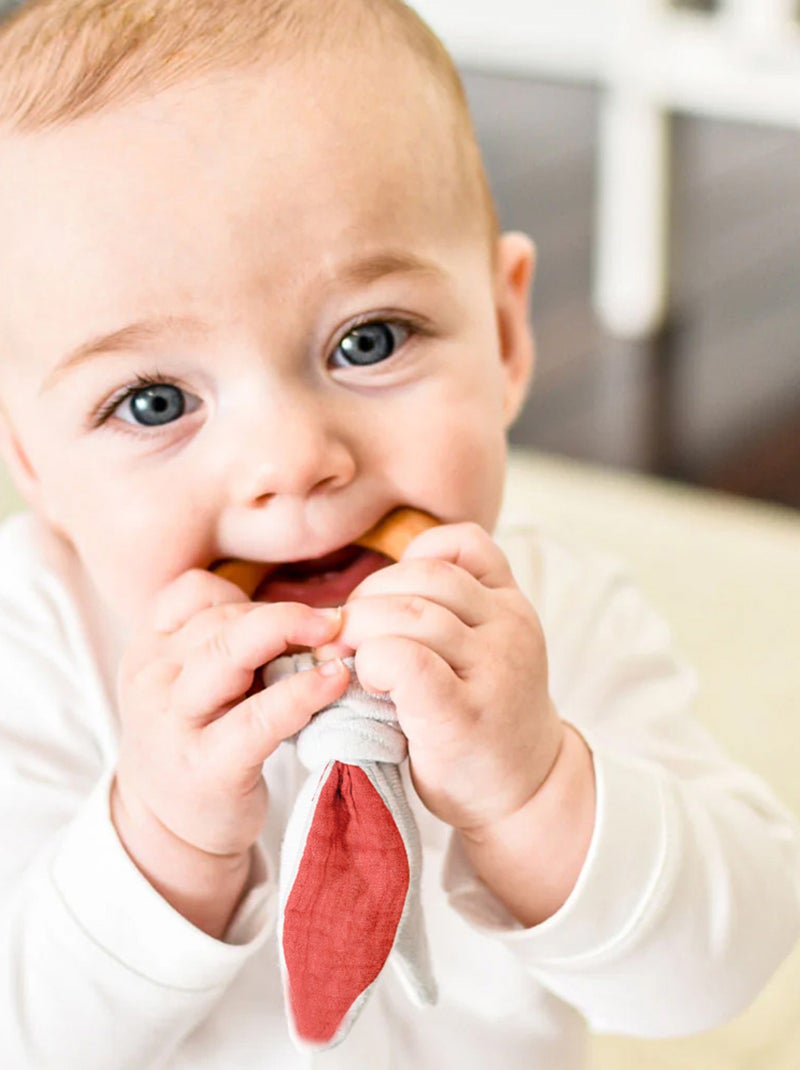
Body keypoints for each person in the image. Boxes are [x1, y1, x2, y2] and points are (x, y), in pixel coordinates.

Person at [0, 0, 797, 1067]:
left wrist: (533, 789)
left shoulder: (547, 616)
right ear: (34, 463)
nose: (292, 461)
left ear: (507, 333)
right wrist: (161, 840)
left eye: (366, 339)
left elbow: (720, 968)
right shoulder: (33, 650)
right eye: (151, 401)